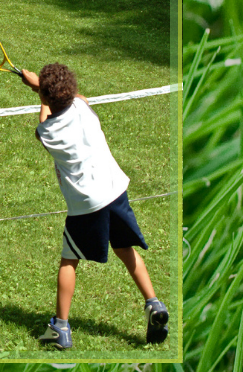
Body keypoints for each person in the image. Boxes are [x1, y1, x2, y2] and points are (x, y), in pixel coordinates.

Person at [19, 63, 168, 349]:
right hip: (115, 190)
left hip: (87, 206)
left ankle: (61, 328)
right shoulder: (82, 107)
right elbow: (77, 99)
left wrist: (39, 93)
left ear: (46, 97)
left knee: (69, 260)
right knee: (125, 249)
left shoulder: (47, 132)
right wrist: (41, 88)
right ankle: (153, 303)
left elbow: (43, 122)